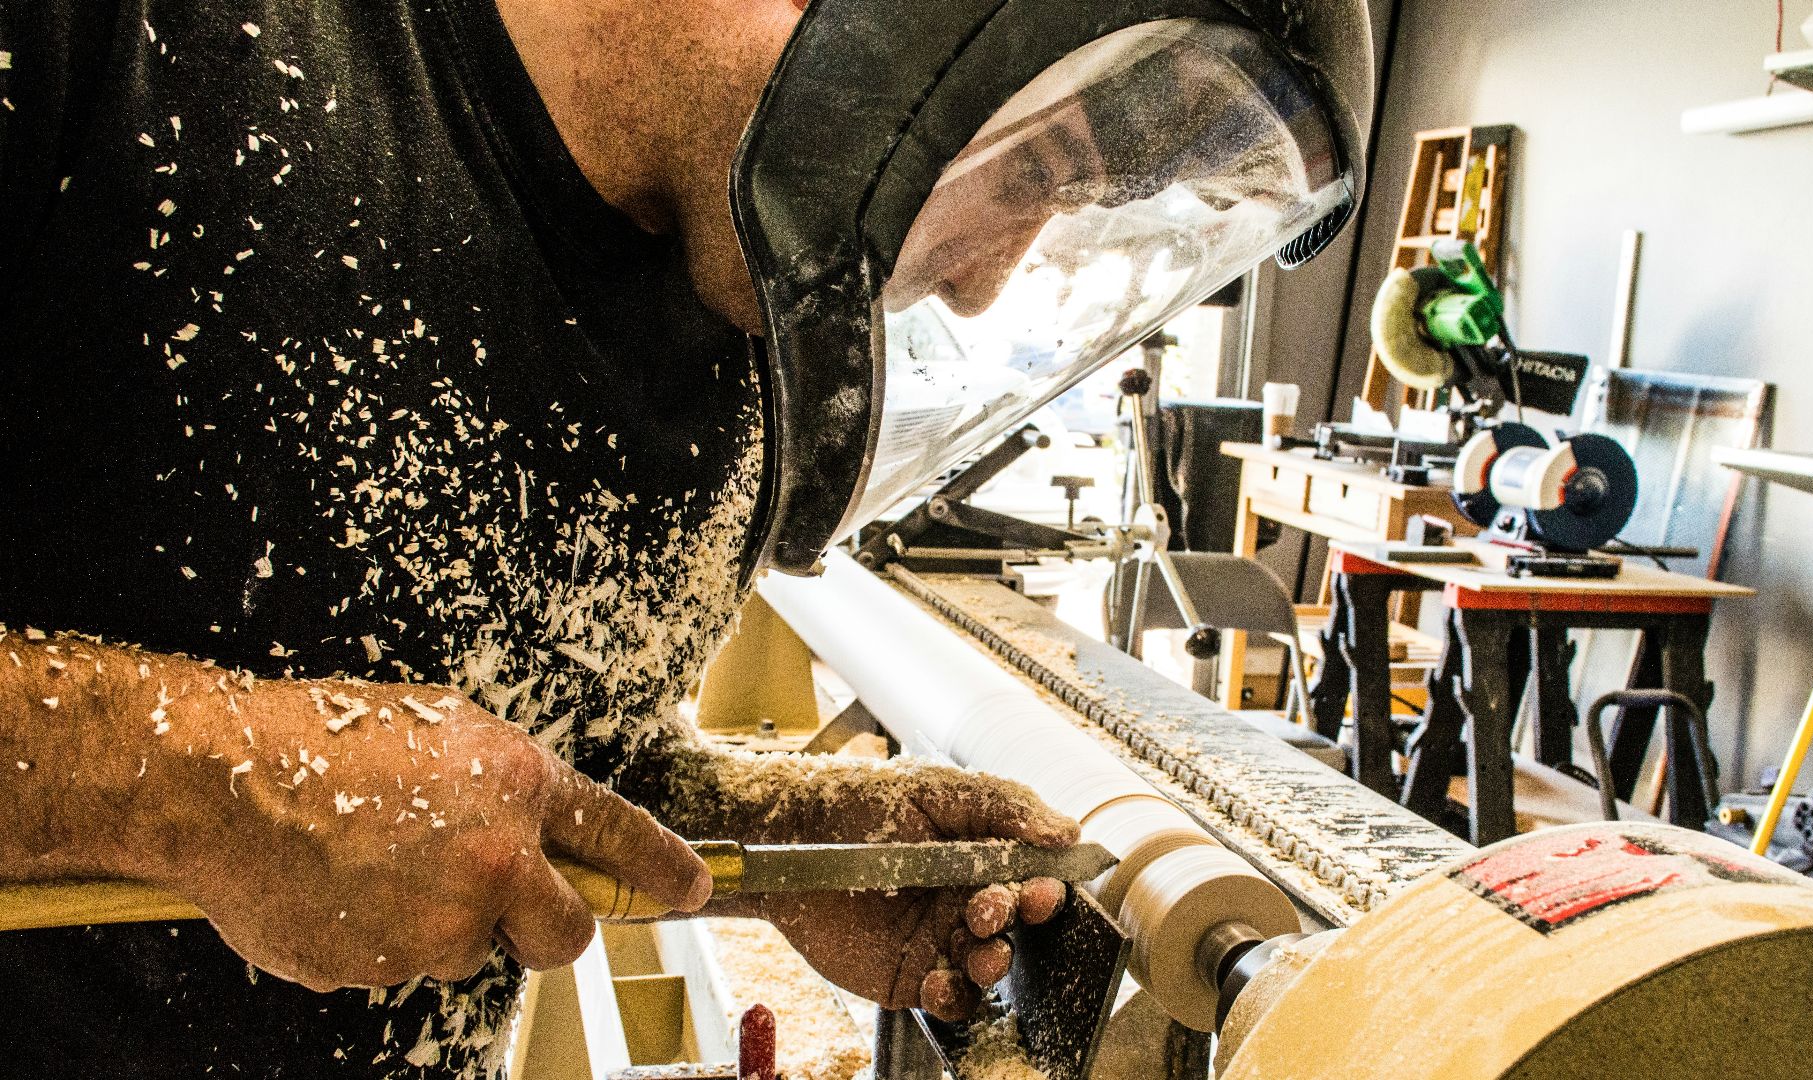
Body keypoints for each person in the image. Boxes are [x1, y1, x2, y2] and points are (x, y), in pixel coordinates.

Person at [0, 0, 1081, 1074]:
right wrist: (225, 785)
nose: (984, 285)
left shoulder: (738, 327)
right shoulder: (129, 49)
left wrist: (778, 839)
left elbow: (532, 745)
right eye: (1025, 163)